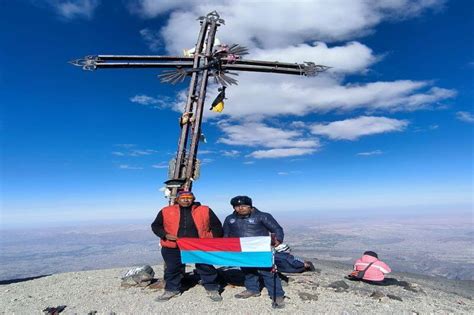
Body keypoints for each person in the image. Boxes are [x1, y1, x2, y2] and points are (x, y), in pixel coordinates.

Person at [151, 191, 224, 302]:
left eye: (189, 197)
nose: (186, 200)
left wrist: (211, 240)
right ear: (177, 199)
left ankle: (212, 288)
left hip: (199, 245)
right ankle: (171, 289)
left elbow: (216, 226)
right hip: (173, 245)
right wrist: (165, 235)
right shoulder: (166, 211)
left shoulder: (204, 210)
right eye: (183, 197)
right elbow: (156, 226)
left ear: (193, 199)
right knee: (172, 268)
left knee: (205, 267)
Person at [223, 195, 286, 308]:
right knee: (248, 270)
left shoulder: (262, 216)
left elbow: (277, 229)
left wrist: (278, 238)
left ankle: (277, 295)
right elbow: (226, 234)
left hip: (260, 249)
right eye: (237, 206)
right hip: (242, 250)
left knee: (267, 272)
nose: (240, 208)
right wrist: (226, 246)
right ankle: (252, 289)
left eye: (244, 206)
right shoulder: (230, 219)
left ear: (250, 206)